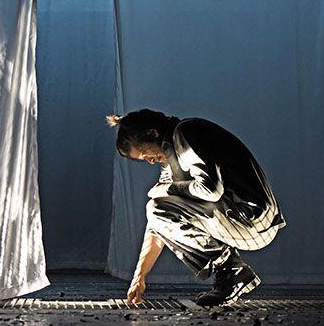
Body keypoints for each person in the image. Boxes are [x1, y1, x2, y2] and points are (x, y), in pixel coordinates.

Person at [108, 109, 286, 306]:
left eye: (145, 154)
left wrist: (166, 189)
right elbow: (158, 224)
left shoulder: (185, 132)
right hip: (252, 223)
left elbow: (210, 190)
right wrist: (139, 276)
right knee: (157, 208)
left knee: (157, 205)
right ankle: (231, 269)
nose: (150, 161)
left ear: (153, 133)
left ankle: (232, 271)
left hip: (251, 217)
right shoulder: (171, 158)